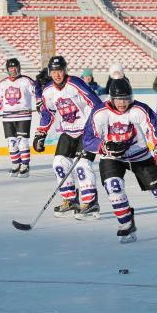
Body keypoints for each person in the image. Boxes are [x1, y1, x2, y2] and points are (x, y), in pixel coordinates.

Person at [83, 78, 157, 243]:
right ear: (111, 98)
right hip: (112, 157)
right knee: (114, 188)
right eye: (119, 99)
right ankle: (126, 224)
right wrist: (105, 147)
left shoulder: (139, 109)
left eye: (126, 98)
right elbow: (88, 139)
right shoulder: (100, 113)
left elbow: (154, 129)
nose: (122, 103)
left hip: (140, 156)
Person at [33, 56, 104, 219]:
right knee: (59, 163)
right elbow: (48, 113)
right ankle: (70, 200)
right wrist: (40, 133)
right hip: (68, 132)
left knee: (82, 165)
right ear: (50, 73)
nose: (57, 75)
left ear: (65, 70)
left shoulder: (76, 83)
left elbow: (96, 104)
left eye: (60, 71)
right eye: (54, 72)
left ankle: (90, 202)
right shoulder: (48, 91)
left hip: (86, 131)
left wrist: (93, 127)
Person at [0, 58, 42, 177]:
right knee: (11, 142)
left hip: (23, 116)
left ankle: (25, 165)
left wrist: (40, 103)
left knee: (22, 141)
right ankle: (16, 165)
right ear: (7, 69)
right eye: (10, 68)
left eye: (15, 67)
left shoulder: (26, 81)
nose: (13, 70)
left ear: (18, 67)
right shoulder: (2, 84)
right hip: (8, 117)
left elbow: (38, 94)